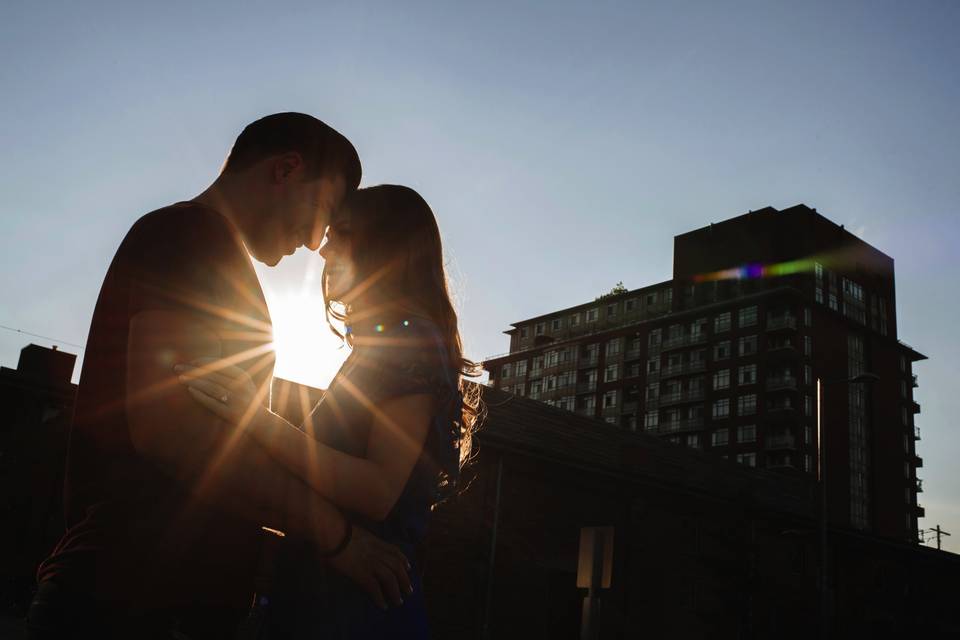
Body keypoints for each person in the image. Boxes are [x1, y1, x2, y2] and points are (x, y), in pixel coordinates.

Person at [30, 114, 412, 639]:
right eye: (322, 214)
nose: (311, 243)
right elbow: (173, 431)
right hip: (129, 598)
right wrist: (337, 538)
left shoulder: (213, 251)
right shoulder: (189, 235)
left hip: (159, 600)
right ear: (286, 169)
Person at [176, 184, 481, 638]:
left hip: (356, 610)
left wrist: (256, 419)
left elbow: (378, 489)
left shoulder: (408, 339)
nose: (323, 249)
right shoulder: (382, 344)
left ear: (387, 246)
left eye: (343, 233)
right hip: (326, 599)